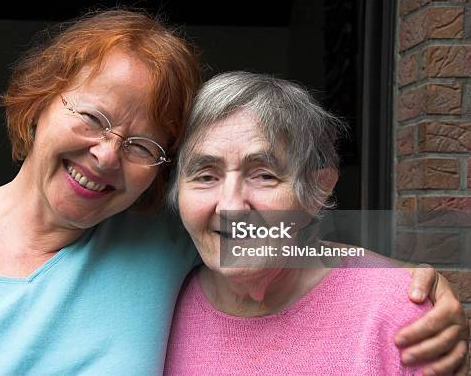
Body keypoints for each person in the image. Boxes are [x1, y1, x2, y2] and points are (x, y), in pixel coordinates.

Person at [0, 10, 466, 375]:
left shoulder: (156, 245)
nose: (106, 156)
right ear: (38, 103)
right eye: (93, 118)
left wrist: (412, 283)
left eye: (143, 147)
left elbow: (288, 236)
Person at [164, 71, 469, 375]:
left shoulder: (397, 313)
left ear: (317, 192)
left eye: (264, 175)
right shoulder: (160, 306)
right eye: (205, 176)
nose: (231, 206)